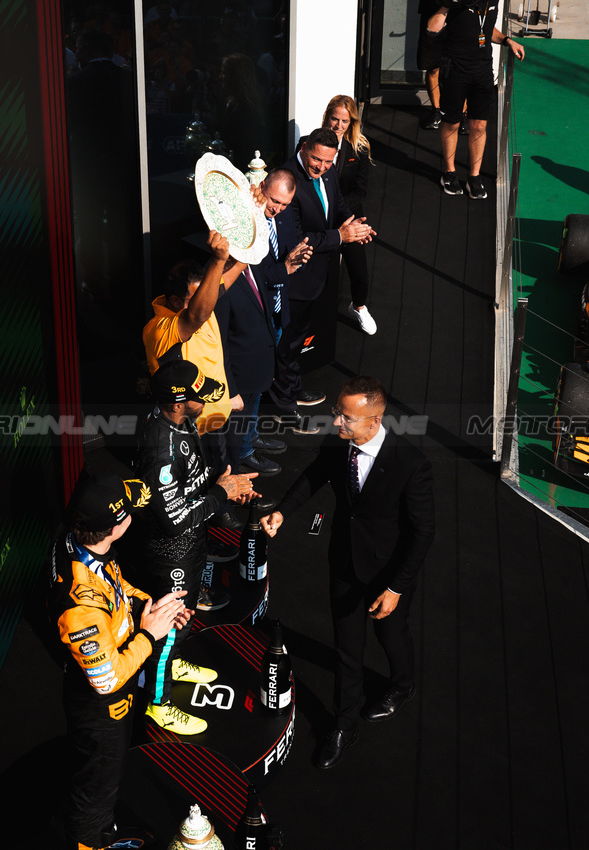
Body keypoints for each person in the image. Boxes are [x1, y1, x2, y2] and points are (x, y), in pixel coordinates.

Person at [260, 376, 435, 769]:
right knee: (346, 648)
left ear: (374, 420)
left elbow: (423, 533)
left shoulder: (410, 464)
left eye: (346, 418)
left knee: (392, 636)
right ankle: (344, 724)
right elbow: (314, 476)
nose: (337, 422)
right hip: (343, 564)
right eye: (338, 413)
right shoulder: (339, 445)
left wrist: (395, 588)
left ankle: (402, 685)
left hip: (387, 574)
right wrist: (284, 511)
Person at [49, 471, 194, 850]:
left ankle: (101, 834)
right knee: (95, 793)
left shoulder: (81, 539)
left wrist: (150, 604)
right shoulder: (80, 606)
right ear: (117, 526)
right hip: (100, 709)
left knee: (102, 785)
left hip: (107, 691)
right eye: (128, 511)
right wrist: (151, 634)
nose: (133, 513)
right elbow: (107, 679)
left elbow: (113, 583)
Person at [130, 360, 258, 731]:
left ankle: (174, 659)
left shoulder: (179, 422)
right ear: (176, 403)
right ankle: (157, 702)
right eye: (198, 396)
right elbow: (172, 521)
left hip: (190, 545)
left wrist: (224, 485)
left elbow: (191, 487)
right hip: (172, 552)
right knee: (168, 630)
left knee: (180, 627)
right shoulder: (160, 449)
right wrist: (220, 492)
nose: (204, 400)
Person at [272, 128, 374, 427]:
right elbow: (296, 238)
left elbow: (338, 205)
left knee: (298, 338)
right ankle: (283, 401)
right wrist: (341, 236)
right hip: (295, 280)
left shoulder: (327, 172)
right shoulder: (287, 180)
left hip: (317, 277)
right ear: (304, 148)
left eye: (328, 162)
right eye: (316, 159)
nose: (321, 167)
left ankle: (292, 386)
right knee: (287, 341)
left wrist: (353, 225)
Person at [215, 168, 312, 476]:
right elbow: (256, 270)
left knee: (258, 387)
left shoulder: (280, 218)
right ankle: (243, 450)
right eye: (274, 202)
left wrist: (291, 264)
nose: (278, 210)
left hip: (272, 316)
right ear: (260, 189)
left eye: (285, 205)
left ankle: (251, 437)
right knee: (248, 392)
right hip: (249, 326)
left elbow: (270, 268)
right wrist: (284, 268)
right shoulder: (247, 224)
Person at [142, 231, 247, 441]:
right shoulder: (159, 329)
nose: (206, 303)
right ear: (174, 300)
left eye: (204, 296)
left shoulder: (201, 300)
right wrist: (218, 260)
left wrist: (251, 215)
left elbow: (243, 261)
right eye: (195, 299)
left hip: (218, 418)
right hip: (191, 432)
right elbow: (198, 314)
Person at [428, 0, 525, 199]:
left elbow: (487, 30)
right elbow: (432, 28)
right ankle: (449, 173)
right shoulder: (456, 3)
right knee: (452, 123)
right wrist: (447, 5)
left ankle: (474, 177)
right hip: (455, 69)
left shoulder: (492, 2)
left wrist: (507, 40)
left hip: (482, 70)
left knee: (479, 125)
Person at [321, 95, 378, 335]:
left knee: (360, 273)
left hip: (349, 218)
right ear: (327, 117)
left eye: (345, 121)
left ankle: (359, 307)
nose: (339, 126)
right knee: (322, 270)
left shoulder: (360, 147)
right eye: (335, 119)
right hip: (320, 217)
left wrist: (339, 208)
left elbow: (360, 190)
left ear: (352, 121)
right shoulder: (311, 143)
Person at [417, 0, 445, 130]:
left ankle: (464, 114)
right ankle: (436, 110)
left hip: (460, 14)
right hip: (432, 12)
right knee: (432, 68)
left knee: (462, 66)